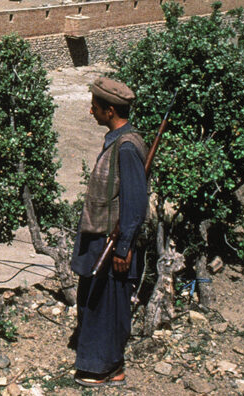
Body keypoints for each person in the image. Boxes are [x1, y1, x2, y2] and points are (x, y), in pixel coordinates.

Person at [70, 77, 148, 387]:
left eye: (96, 107)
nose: (92, 112)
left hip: (111, 242)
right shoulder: (119, 142)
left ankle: (103, 367)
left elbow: (135, 202)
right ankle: (105, 364)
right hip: (104, 239)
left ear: (110, 110)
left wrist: (123, 246)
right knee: (97, 302)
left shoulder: (126, 148)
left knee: (107, 306)